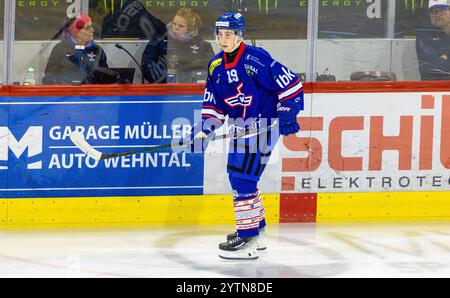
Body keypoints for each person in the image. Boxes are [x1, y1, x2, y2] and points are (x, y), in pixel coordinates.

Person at [182, 12, 303, 260]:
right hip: (239, 127)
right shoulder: (215, 65)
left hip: (262, 126)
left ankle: (248, 238)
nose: (223, 39)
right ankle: (256, 232)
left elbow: (291, 84)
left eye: (229, 34)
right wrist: (204, 130)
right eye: (220, 34)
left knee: (242, 179)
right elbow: (214, 105)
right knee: (239, 177)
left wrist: (288, 114)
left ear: (240, 35)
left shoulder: (256, 59)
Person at [42, 14, 108, 84]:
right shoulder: (60, 49)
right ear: (77, 32)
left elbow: (106, 77)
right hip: (68, 93)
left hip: (92, 93)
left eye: (91, 26)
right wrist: (64, 84)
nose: (92, 30)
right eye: (87, 28)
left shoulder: (97, 50)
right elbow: (49, 77)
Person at [165, 8, 215, 83]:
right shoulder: (162, 41)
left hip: (195, 85)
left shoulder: (204, 45)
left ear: (190, 29)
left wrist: (195, 64)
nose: (176, 27)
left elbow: (213, 67)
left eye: (181, 26)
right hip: (167, 85)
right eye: (174, 24)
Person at [416, 0, 450, 80]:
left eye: (441, 11)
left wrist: (446, 56)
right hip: (433, 86)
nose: (437, 15)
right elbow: (429, 67)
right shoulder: (424, 34)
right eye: (433, 12)